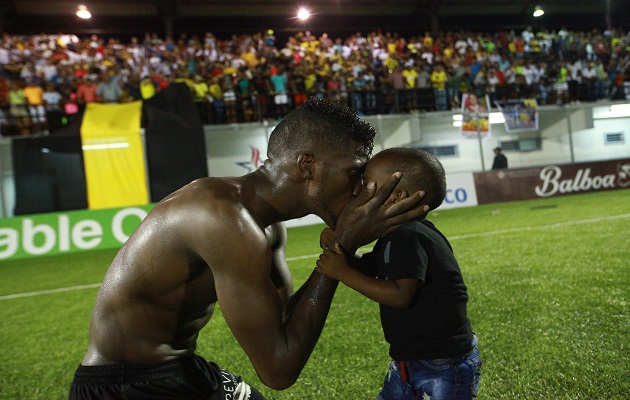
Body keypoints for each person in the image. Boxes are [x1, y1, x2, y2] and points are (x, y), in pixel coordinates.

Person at [69, 98, 428, 400]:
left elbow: (284, 326)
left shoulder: (267, 227)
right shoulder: (223, 218)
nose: (359, 191)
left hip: (178, 370)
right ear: (308, 166)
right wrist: (342, 246)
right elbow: (278, 369)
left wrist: (342, 251)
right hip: (123, 386)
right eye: (354, 174)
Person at [316, 147, 482, 400]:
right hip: (410, 359)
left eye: (367, 184)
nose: (357, 190)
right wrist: (343, 252)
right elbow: (373, 268)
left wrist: (341, 272)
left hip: (442, 363)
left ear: (397, 197)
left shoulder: (410, 235)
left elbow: (400, 295)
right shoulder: (396, 234)